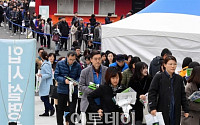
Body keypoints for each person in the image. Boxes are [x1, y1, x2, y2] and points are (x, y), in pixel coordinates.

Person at [148, 55, 189, 125]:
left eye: (174, 64)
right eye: (170, 64)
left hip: (175, 109)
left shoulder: (179, 78)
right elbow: (152, 92)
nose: (173, 66)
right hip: (162, 108)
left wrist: (186, 109)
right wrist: (152, 107)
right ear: (165, 65)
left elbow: (182, 95)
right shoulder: (159, 77)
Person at [79, 50, 108, 123]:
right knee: (89, 122)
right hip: (89, 103)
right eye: (95, 59)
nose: (98, 61)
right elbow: (81, 86)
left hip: (103, 102)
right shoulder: (85, 71)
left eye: (99, 58)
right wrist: (94, 91)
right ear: (91, 60)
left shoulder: (106, 70)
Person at [54, 51, 82, 125]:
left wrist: (76, 81)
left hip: (73, 91)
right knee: (60, 110)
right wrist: (64, 81)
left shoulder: (77, 65)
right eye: (70, 59)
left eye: (73, 60)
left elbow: (80, 76)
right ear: (67, 57)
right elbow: (56, 76)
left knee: (72, 110)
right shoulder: (60, 64)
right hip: (62, 90)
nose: (72, 61)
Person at [37, 51, 55, 116]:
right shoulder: (46, 63)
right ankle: (46, 111)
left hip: (46, 83)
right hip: (46, 83)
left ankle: (51, 108)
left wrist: (41, 75)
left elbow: (49, 74)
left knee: (43, 97)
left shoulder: (46, 65)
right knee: (45, 97)